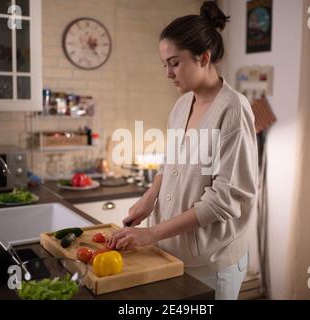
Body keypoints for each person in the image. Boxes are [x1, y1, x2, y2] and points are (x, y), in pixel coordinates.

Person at [108, 1, 258, 300]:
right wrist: (148, 200)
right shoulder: (181, 105)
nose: (168, 73)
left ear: (203, 58)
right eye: (165, 64)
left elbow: (223, 201)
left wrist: (151, 233)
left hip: (212, 262)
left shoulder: (233, 109)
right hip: (170, 252)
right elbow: (169, 165)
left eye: (174, 63)